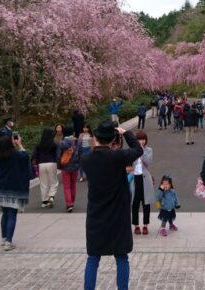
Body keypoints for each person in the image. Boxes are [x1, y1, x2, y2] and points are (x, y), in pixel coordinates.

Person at [81, 121, 144, 290]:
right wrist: (126, 133)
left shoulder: (86, 159)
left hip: (96, 213)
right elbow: (138, 150)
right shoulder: (118, 157)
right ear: (113, 138)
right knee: (121, 256)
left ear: (95, 138)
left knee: (93, 257)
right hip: (118, 214)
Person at [0, 133, 31, 251]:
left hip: (2, 187)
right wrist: (19, 144)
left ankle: (4, 238)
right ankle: (9, 242)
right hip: (15, 187)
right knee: (12, 214)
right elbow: (25, 156)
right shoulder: (15, 155)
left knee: (5, 213)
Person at [129, 130, 155, 235]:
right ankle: (135, 225)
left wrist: (142, 150)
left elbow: (149, 161)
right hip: (134, 177)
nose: (141, 141)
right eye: (139, 139)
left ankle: (145, 225)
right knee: (134, 203)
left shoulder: (149, 150)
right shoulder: (131, 150)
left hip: (145, 178)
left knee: (146, 203)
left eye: (143, 139)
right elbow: (128, 163)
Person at [56, 127, 82, 212]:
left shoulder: (62, 143)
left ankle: (69, 204)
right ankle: (72, 202)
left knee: (66, 186)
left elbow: (58, 156)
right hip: (75, 166)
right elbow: (80, 154)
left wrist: (59, 166)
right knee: (73, 185)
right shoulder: (77, 142)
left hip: (65, 167)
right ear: (73, 133)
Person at [33, 127, 59, 208]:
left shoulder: (38, 144)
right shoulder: (54, 144)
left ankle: (44, 201)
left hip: (41, 164)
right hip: (51, 163)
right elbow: (57, 154)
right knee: (54, 182)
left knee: (43, 183)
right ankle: (51, 196)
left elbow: (34, 155)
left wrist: (35, 163)